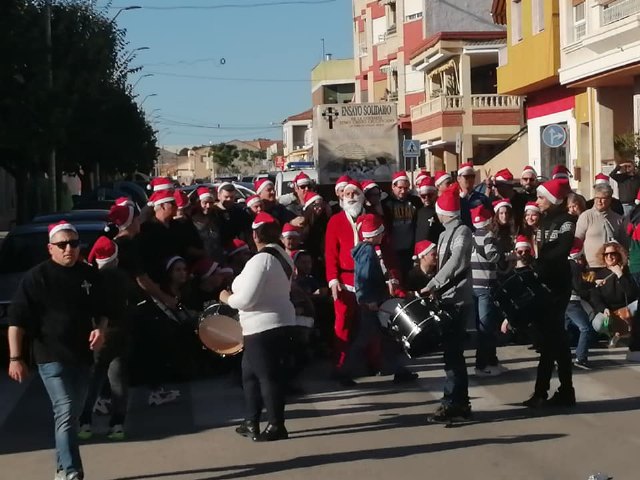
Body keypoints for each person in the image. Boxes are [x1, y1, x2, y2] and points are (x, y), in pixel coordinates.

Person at [7, 221, 107, 480]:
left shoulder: (88, 275)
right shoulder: (36, 278)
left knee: (71, 414)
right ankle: (72, 471)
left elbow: (104, 310)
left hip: (82, 356)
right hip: (50, 357)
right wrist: (15, 358)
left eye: (74, 244)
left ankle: (62, 467)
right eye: (62, 245)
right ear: (50, 248)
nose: (69, 249)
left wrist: (101, 329)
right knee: (65, 410)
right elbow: (16, 321)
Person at [220, 212, 297, 442]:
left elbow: (246, 300)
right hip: (277, 322)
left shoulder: (261, 260)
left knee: (267, 377)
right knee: (250, 375)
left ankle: (276, 425)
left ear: (255, 235)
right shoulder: (283, 256)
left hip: (262, 327)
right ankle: (250, 421)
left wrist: (226, 298)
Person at [325, 180, 402, 383]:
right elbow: (330, 253)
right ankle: (340, 366)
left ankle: (375, 363)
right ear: (341, 197)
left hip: (371, 282)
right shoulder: (335, 221)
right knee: (343, 325)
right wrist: (333, 279)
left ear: (361, 196)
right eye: (347, 194)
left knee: (374, 325)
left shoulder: (373, 219)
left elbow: (387, 251)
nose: (351, 197)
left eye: (355, 193)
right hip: (345, 280)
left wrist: (392, 277)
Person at [523, 178, 576, 408]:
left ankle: (546, 392)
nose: (538, 201)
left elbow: (561, 250)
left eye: (541, 197)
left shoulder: (566, 221)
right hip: (545, 284)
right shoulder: (544, 222)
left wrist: (540, 264)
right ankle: (561, 391)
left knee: (553, 341)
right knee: (554, 342)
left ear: (553, 200)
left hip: (558, 286)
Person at [346, 214, 417, 385]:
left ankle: (399, 371)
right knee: (368, 339)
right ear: (375, 234)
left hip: (373, 301)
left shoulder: (365, 250)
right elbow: (364, 278)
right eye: (380, 233)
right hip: (371, 303)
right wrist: (367, 299)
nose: (383, 236)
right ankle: (344, 372)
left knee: (385, 338)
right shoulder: (368, 252)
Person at [421, 183, 472, 421]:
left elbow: (456, 262)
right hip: (446, 298)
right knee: (451, 355)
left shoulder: (462, 232)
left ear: (444, 212)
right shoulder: (442, 234)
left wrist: (434, 283)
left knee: (453, 354)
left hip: (457, 300)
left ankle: (452, 402)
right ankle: (460, 402)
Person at [79, 236, 135, 441]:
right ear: (116, 258)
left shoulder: (91, 278)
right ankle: (117, 424)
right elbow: (134, 300)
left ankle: (84, 422)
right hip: (120, 333)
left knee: (93, 380)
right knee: (117, 380)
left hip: (97, 335)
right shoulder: (122, 277)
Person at [470, 205, 505, 377]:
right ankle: (481, 365)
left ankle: (492, 361)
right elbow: (492, 256)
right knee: (486, 327)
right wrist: (506, 256)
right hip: (486, 285)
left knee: (482, 325)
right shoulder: (488, 236)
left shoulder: (471, 236)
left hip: (473, 286)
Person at [590, 241, 639, 348]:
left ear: (619, 255)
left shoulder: (626, 272)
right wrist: (603, 309)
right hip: (609, 311)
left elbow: (632, 293)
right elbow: (595, 297)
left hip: (626, 310)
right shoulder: (600, 274)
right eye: (606, 254)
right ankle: (612, 334)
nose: (609, 256)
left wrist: (620, 274)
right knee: (598, 323)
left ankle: (623, 333)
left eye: (613, 253)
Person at [575, 183, 628, 271]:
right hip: (592, 266)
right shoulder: (586, 216)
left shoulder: (618, 219)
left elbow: (624, 243)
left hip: (613, 266)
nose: (599, 201)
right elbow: (578, 240)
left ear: (610, 199)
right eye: (597, 198)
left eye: (603, 198)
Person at [565, 238, 596, 370]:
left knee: (562, 330)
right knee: (585, 328)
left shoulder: (561, 263)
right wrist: (593, 284)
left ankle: (559, 358)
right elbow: (578, 286)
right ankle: (581, 357)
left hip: (561, 300)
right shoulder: (573, 265)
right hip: (572, 300)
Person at [382, 171, 420, 276]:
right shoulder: (386, 204)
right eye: (400, 188)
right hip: (394, 250)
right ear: (393, 187)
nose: (403, 191)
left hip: (410, 250)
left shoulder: (414, 202)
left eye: (406, 188)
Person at [190, 187, 224, 263]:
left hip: (219, 260)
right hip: (201, 263)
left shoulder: (217, 218)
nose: (208, 206)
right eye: (205, 203)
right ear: (198, 203)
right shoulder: (190, 222)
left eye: (211, 203)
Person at [457, 162, 491, 229]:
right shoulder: (454, 198)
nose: (470, 179)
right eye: (466, 177)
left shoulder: (482, 198)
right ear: (459, 178)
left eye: (472, 176)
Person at [415, 176, 444, 243]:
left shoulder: (440, 211)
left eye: (430, 195)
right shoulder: (418, 212)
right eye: (423, 196)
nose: (426, 198)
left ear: (435, 194)